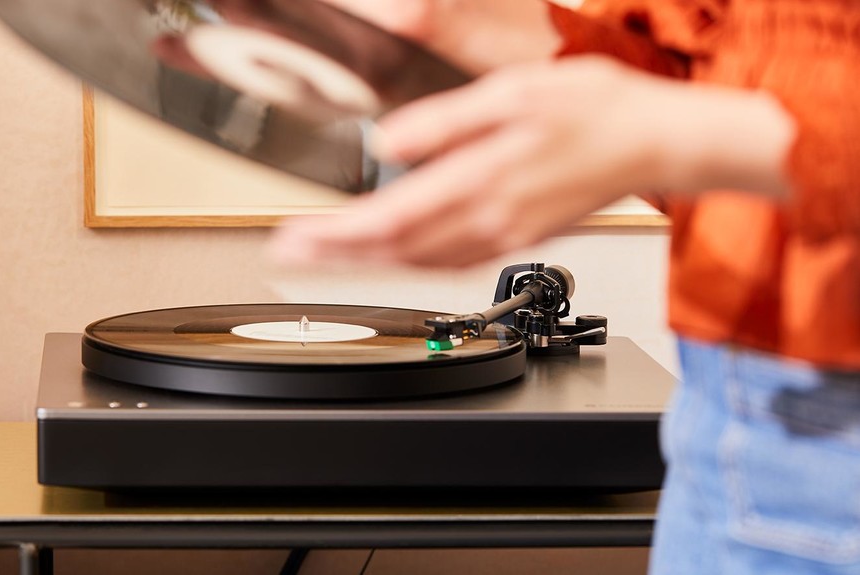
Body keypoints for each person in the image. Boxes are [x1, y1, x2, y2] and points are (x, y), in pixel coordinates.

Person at [263, 1, 860, 574]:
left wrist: (669, 134)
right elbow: (728, 73)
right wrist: (480, 27)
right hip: (729, 427)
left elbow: (698, 124)